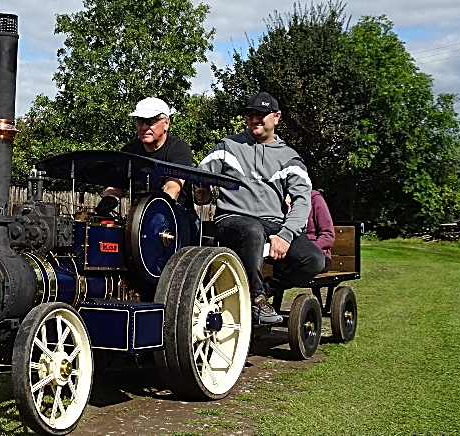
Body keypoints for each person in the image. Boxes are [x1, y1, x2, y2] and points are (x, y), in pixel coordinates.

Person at [195, 91, 325, 325]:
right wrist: (201, 189)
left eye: (262, 114)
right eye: (251, 114)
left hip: (273, 223)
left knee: (314, 260)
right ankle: (257, 301)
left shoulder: (290, 157)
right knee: (252, 229)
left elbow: (302, 201)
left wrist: (284, 236)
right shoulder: (227, 146)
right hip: (232, 219)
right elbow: (200, 174)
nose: (255, 119)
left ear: (276, 117)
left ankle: (262, 292)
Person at [96, 97, 198, 245]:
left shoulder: (179, 150)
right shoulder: (130, 150)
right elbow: (115, 187)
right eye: (140, 122)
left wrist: (151, 217)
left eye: (150, 122)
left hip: (176, 213)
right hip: (138, 216)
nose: (144, 127)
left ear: (166, 123)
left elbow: (173, 189)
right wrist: (106, 203)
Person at [307, 189, 335, 273]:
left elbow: (328, 235)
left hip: (319, 256)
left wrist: (307, 250)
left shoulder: (315, 199)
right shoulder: (280, 201)